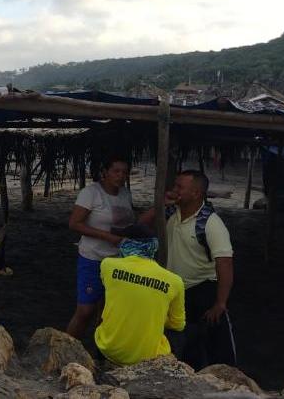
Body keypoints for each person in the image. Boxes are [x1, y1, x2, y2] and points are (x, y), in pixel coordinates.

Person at [140, 170, 236, 369]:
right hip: (175, 291)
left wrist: (220, 303)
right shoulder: (170, 213)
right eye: (175, 186)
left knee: (217, 345)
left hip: (202, 290)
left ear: (196, 193)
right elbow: (140, 225)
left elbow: (224, 263)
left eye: (180, 187)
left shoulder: (210, 223)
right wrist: (161, 205)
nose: (175, 191)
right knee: (183, 341)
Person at [94, 225, 185, 366]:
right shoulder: (174, 281)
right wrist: (155, 314)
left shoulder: (108, 265)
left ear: (128, 244)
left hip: (108, 348)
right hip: (148, 357)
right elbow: (178, 325)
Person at [65, 155, 135, 339]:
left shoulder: (125, 194)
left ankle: (101, 350)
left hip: (118, 260)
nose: (121, 176)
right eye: (116, 171)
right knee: (85, 310)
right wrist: (106, 236)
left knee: (107, 311)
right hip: (93, 257)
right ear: (104, 172)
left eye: (125, 172)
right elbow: (74, 223)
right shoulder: (91, 193)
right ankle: (65, 347)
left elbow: (131, 223)